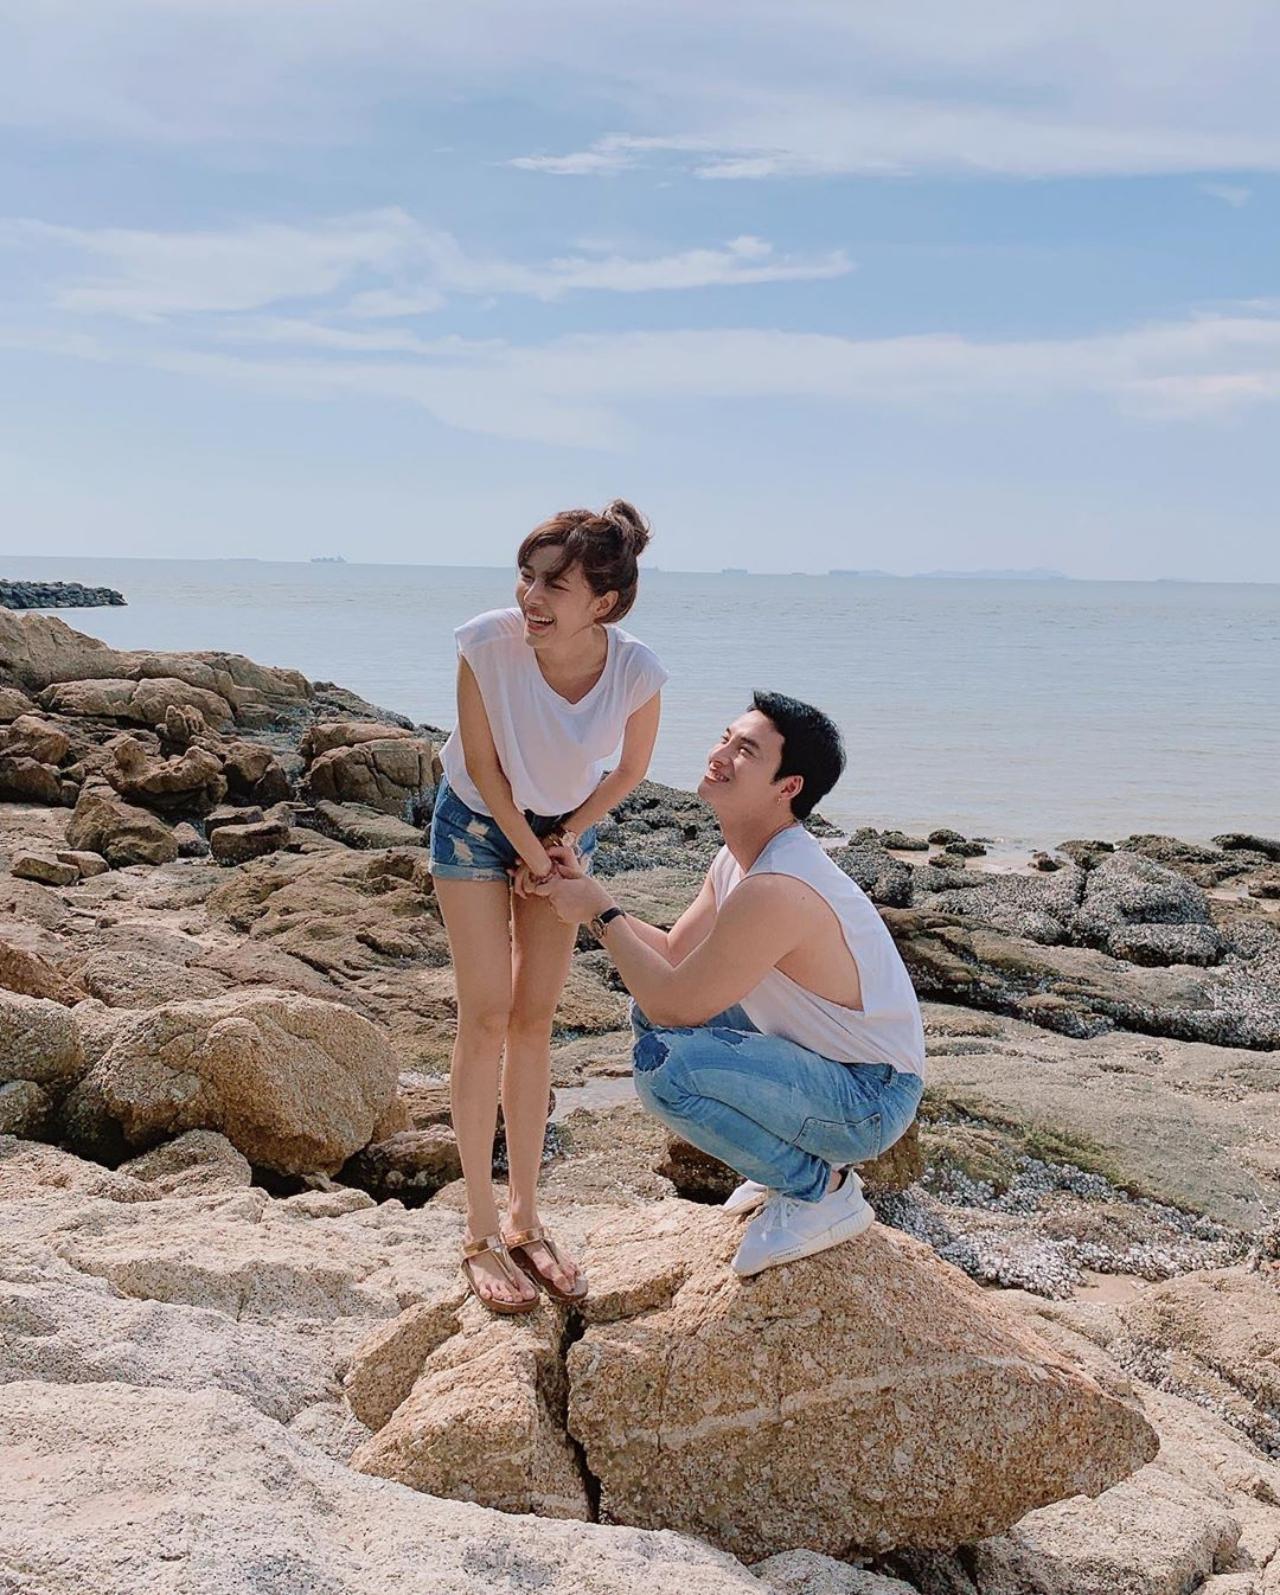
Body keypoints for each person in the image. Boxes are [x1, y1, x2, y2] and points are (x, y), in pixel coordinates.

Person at [539, 690, 925, 1278]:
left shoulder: (778, 886)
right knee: (650, 1019)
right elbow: (672, 954)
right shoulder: (739, 860)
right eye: (725, 738)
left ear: (787, 787)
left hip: (868, 1098)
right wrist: (588, 894)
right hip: (826, 1067)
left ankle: (819, 1190)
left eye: (745, 751)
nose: (719, 755)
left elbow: (673, 1004)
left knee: (668, 1067)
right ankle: (786, 1168)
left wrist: (598, 912)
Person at [430, 501, 667, 1314]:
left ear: (603, 602)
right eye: (526, 577)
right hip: (475, 821)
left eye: (553, 586)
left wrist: (564, 839)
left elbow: (629, 771)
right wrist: (537, 859)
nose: (530, 597)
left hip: (565, 832)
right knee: (486, 1014)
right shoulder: (485, 645)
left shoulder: (635, 671)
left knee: (535, 1020)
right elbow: (484, 771)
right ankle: (479, 1229)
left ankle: (527, 1218)